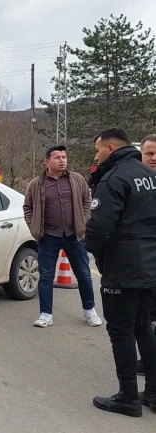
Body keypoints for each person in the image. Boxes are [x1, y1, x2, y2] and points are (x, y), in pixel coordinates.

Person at [85, 128, 156, 417]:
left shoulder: (112, 179)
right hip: (150, 267)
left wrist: (91, 247)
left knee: (121, 331)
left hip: (122, 269)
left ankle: (128, 396)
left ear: (111, 148)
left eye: (97, 149)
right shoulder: (150, 176)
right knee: (143, 327)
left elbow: (99, 228)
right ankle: (152, 391)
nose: (96, 155)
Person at [23, 145, 102, 328]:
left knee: (83, 275)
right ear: (47, 161)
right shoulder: (36, 184)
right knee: (46, 277)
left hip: (74, 235)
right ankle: (45, 314)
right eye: (57, 157)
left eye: (64, 157)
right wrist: (34, 228)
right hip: (48, 236)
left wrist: (84, 221)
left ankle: (90, 310)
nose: (62, 160)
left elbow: (86, 201)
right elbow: (28, 207)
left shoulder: (77, 179)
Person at [136, 134, 156, 376]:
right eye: (149, 153)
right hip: (144, 262)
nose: (154, 158)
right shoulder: (136, 182)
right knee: (147, 315)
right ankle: (148, 359)